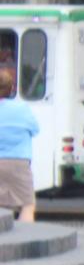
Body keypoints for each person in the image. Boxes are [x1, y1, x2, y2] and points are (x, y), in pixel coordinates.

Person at [0, 67, 38, 220]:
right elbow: (35, 130)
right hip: (19, 162)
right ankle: (25, 233)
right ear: (12, 89)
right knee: (27, 204)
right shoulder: (22, 109)